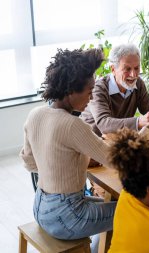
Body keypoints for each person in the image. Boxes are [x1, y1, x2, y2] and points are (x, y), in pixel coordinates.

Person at [19, 48, 118, 250]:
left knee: (122, 205)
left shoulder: (35, 114)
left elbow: (29, 162)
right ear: (71, 90)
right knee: (135, 211)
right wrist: (142, 138)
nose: (91, 99)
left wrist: (56, 164)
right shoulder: (73, 125)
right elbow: (115, 159)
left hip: (41, 207)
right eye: (89, 92)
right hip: (67, 216)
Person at [80, 43, 149, 136]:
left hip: (120, 141)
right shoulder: (98, 88)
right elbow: (104, 124)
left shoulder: (138, 83)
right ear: (113, 69)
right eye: (127, 69)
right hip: (92, 141)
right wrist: (138, 122)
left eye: (136, 68)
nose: (133, 75)